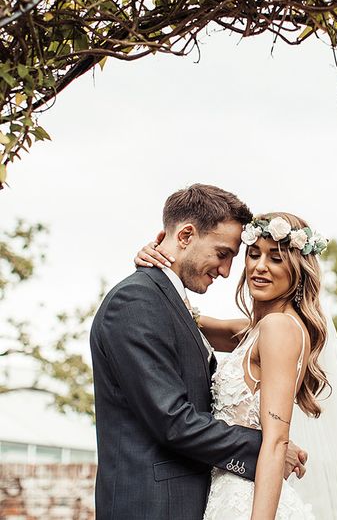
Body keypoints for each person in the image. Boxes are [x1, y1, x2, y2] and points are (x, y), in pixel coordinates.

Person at [137, 210, 337, 520]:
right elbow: (194, 321)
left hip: (246, 501)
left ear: (298, 270)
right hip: (225, 494)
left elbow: (276, 442)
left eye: (275, 258)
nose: (260, 267)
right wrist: (159, 261)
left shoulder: (278, 328)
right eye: (253, 254)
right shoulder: (258, 330)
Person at [90, 185, 307, 520]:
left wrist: (273, 447)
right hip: (154, 507)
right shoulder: (136, 301)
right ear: (186, 235)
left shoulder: (170, 304)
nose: (226, 271)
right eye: (223, 254)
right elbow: (172, 420)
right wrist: (264, 449)